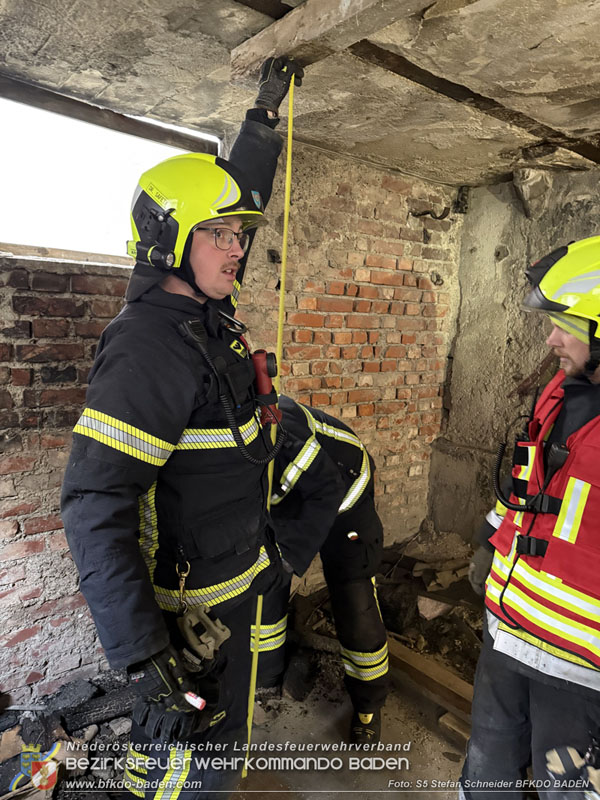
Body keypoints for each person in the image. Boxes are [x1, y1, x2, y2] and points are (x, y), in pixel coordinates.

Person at [60, 57, 304, 799]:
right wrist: (142, 654)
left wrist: (262, 122)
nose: (239, 248)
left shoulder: (203, 315)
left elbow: (237, 209)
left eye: (241, 233)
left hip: (236, 583)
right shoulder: (149, 345)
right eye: (221, 235)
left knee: (221, 749)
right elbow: (94, 504)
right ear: (170, 241)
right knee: (179, 764)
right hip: (187, 614)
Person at [462, 236, 600, 799]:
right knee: (487, 767)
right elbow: (526, 490)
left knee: (566, 788)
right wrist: (489, 541)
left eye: (567, 324)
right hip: (508, 632)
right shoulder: (556, 395)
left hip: (578, 667)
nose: (552, 338)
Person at [257, 395, 389, 744]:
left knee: (353, 598)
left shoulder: (277, 428)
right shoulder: (220, 441)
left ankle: (368, 706)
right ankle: (266, 680)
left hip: (344, 494)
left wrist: (290, 555)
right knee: (267, 585)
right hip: (294, 502)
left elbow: (325, 490)